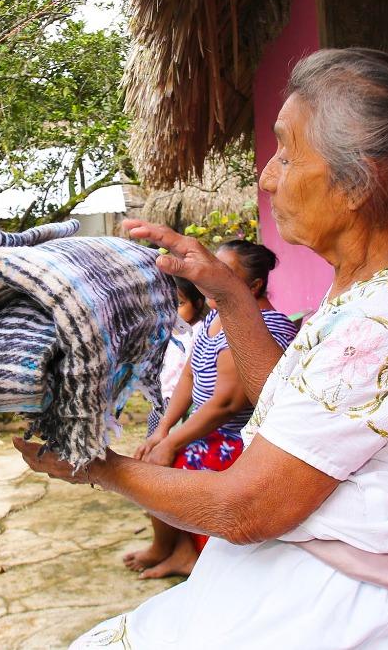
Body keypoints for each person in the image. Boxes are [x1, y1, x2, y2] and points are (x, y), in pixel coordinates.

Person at [17, 48, 388, 649]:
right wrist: (230, 296)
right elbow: (298, 415)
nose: (268, 175)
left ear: (361, 179)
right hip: (350, 583)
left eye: (288, 152)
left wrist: (99, 466)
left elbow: (247, 509)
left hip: (374, 609)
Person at [124, 242, 296, 579]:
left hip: (240, 439)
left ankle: (175, 551)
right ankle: (181, 551)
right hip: (208, 430)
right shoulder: (216, 315)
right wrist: (163, 430)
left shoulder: (264, 327)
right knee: (151, 455)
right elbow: (189, 374)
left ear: (254, 286)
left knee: (161, 472)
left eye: (226, 273)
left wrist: (171, 443)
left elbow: (226, 405)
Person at [143, 277, 205, 439]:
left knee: (171, 443)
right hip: (161, 399)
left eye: (179, 304)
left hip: (184, 401)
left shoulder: (199, 332)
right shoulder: (166, 333)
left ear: (198, 304)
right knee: (154, 439)